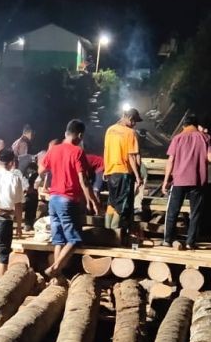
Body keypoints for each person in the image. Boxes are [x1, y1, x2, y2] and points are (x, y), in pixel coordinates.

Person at [39, 119, 100, 277]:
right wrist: (91, 199)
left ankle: (56, 277)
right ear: (80, 135)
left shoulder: (53, 149)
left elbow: (42, 169)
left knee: (58, 239)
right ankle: (55, 268)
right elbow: (83, 180)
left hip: (53, 200)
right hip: (67, 200)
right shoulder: (77, 151)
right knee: (74, 239)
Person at [161, 115, 211, 250]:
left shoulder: (177, 138)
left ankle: (167, 240)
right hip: (197, 180)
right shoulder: (205, 137)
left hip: (179, 180)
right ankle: (190, 242)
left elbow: (170, 161)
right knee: (195, 213)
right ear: (196, 125)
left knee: (173, 211)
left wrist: (166, 180)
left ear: (184, 125)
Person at [102, 108, 144, 245]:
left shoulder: (110, 130)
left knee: (112, 203)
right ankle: (115, 237)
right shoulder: (130, 133)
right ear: (130, 119)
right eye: (135, 121)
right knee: (122, 206)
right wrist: (138, 176)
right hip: (123, 173)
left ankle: (106, 232)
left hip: (110, 172)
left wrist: (105, 169)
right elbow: (131, 156)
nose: (135, 124)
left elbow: (106, 150)